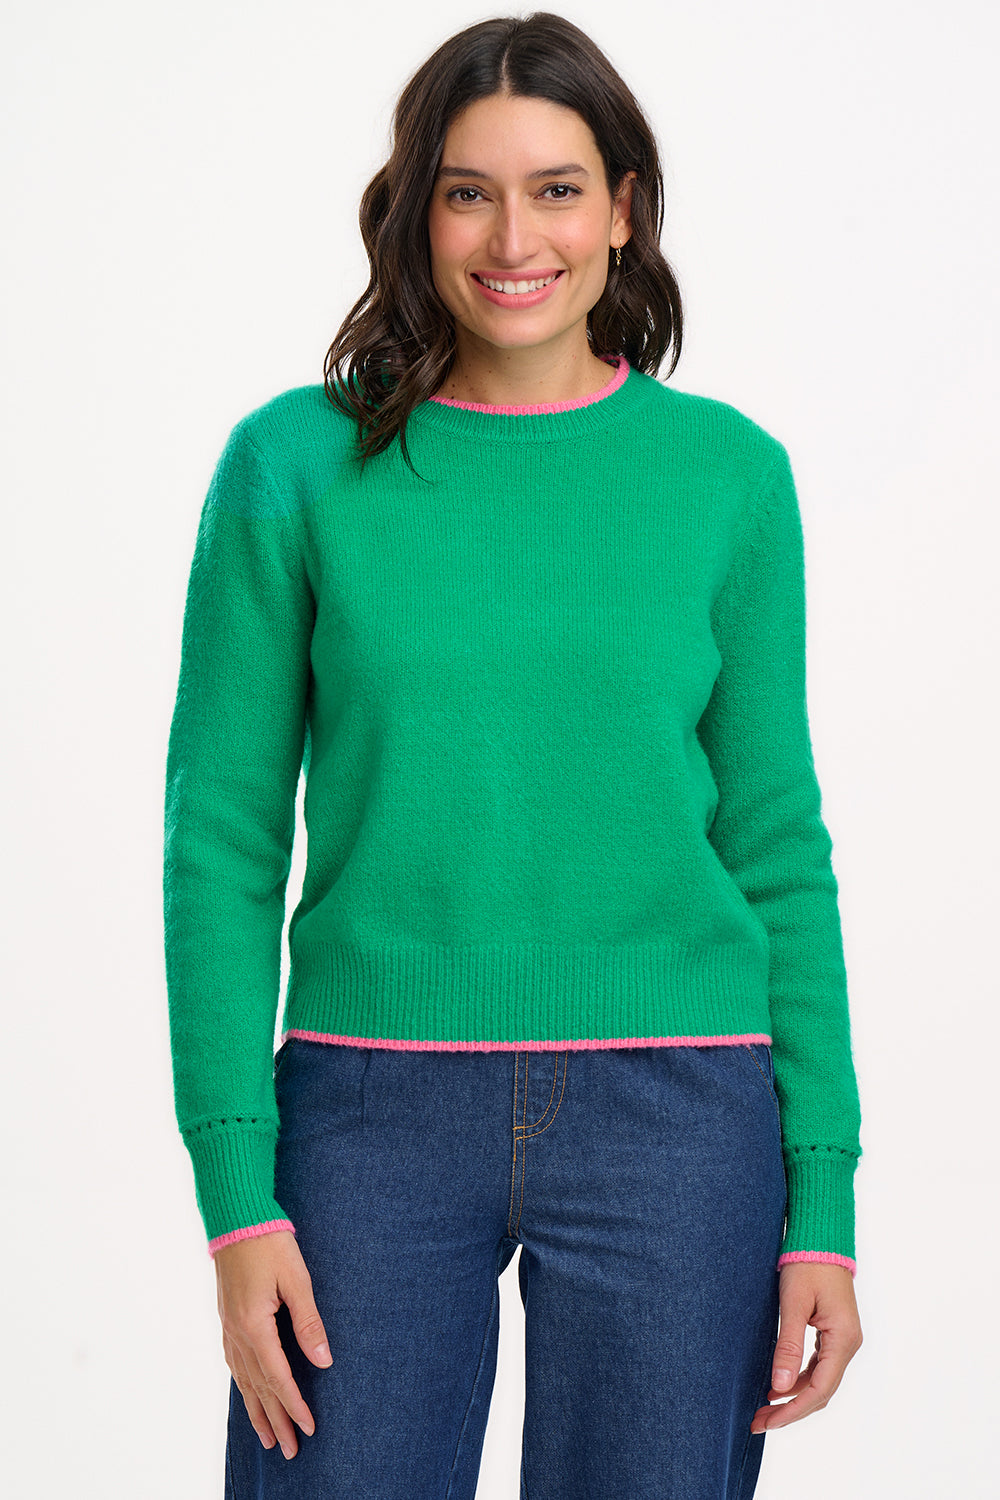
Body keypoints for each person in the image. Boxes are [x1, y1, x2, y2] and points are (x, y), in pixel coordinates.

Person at [163, 12, 864, 1498]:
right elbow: (220, 838)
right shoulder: (292, 466)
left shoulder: (729, 479)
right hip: (366, 1111)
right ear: (413, 213)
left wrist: (824, 1202)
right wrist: (236, 1192)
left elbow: (776, 845)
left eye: (556, 189)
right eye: (467, 192)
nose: (512, 238)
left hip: (682, 1110)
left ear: (622, 209)